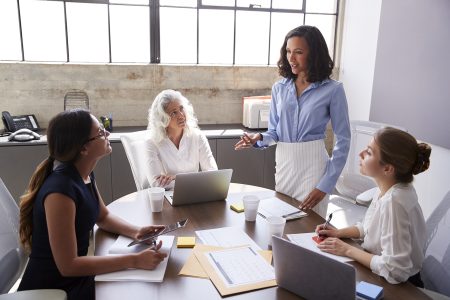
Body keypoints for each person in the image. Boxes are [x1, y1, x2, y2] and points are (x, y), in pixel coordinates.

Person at [18, 109, 167, 300]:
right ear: (83, 148)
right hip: (55, 289)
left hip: (75, 277)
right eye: (100, 132)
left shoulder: (83, 173)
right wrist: (134, 260)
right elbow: (68, 266)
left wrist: (136, 232)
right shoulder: (60, 192)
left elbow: (102, 216)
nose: (107, 134)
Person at [235, 25, 351, 218]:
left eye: (298, 52)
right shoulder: (279, 88)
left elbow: (344, 140)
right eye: (288, 51)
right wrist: (259, 138)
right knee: (280, 226)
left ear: (314, 54)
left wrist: (326, 184)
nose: (291, 58)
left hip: (314, 168)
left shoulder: (333, 90)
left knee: (309, 229)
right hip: (284, 165)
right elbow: (274, 132)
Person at [316, 127, 431, 286]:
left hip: (402, 288)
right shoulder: (388, 189)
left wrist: (347, 250)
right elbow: (368, 228)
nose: (361, 154)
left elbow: (395, 270)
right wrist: (338, 232)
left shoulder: (395, 202)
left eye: (369, 152)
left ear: (387, 168)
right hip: (379, 271)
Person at [146, 89, 217, 189]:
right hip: (169, 198)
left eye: (181, 109)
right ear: (163, 119)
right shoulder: (152, 143)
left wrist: (175, 178)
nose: (181, 115)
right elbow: (156, 184)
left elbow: (213, 174)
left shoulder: (197, 136)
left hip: (196, 194)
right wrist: (197, 179)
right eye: (174, 113)